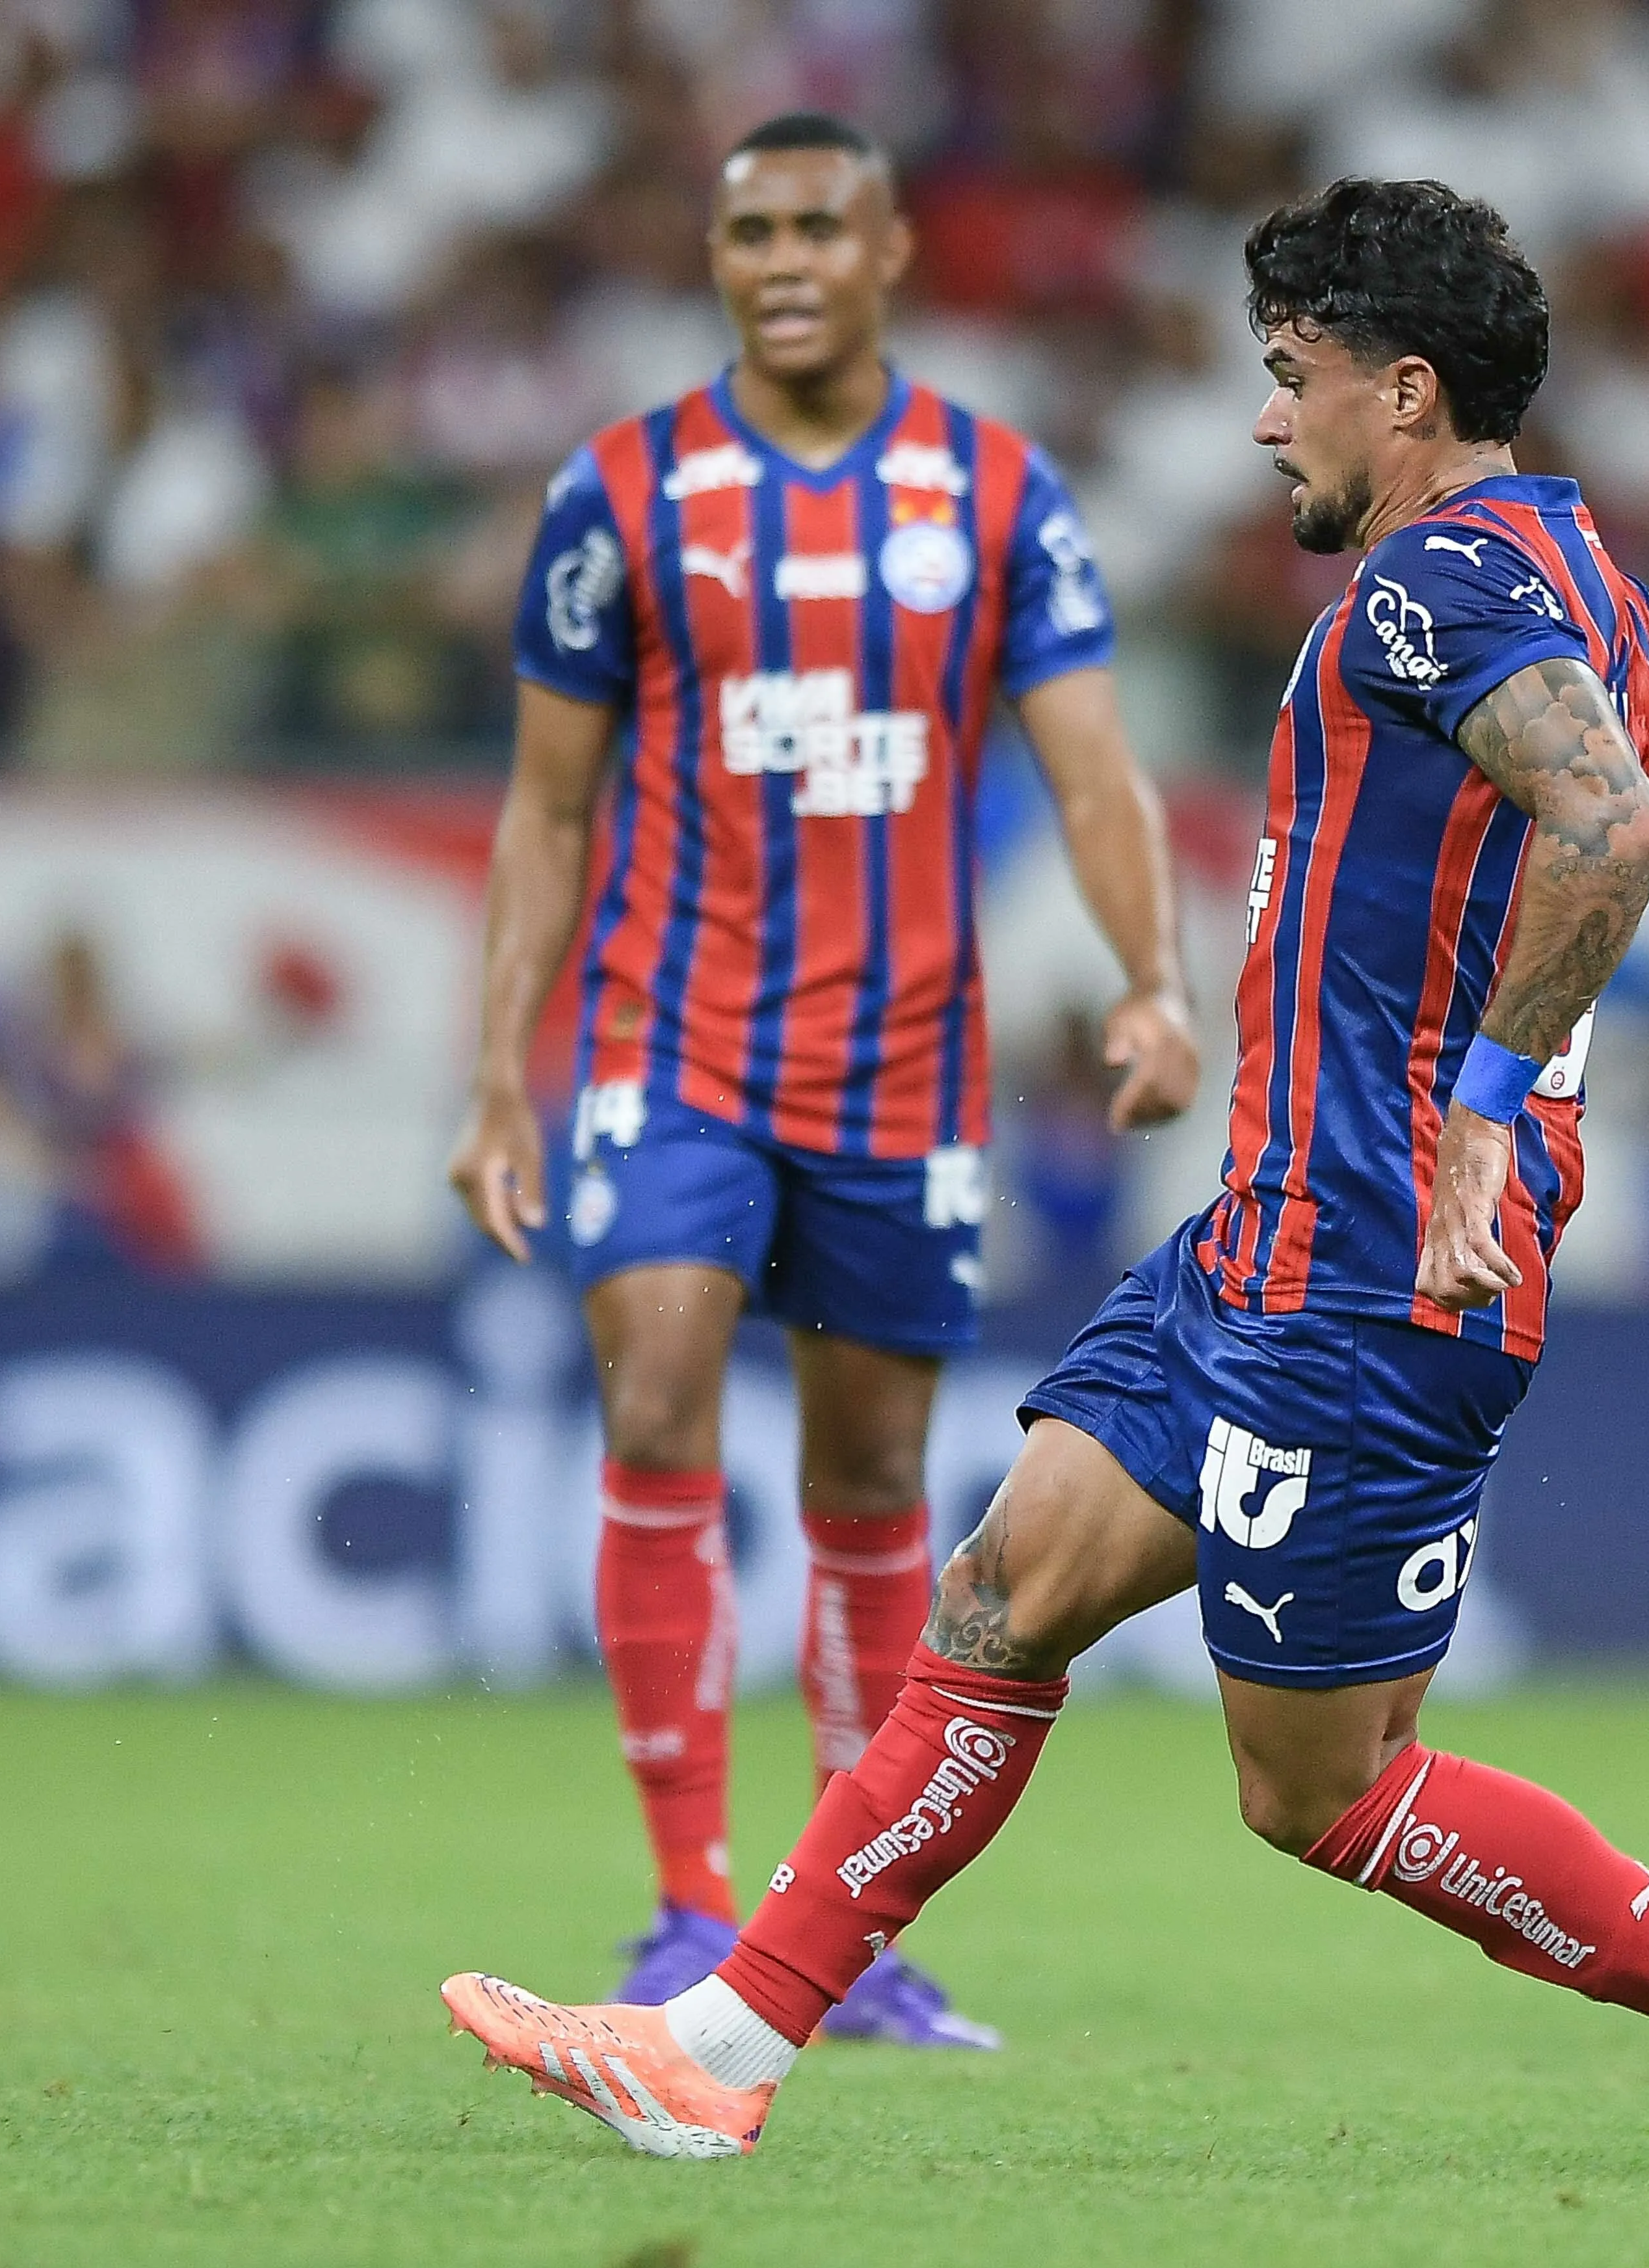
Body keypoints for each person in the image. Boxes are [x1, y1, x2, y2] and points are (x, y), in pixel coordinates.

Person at [442, 178, 1649, 2185]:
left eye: (1292, 380)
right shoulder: (1600, 586)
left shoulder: (1434, 591)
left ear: (1404, 396)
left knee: (1322, 1792)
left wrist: (1487, 1099)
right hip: (1267, 1241)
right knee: (1000, 1590)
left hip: (1388, 1263)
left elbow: (1617, 827)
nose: (1263, 421)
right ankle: (718, 2050)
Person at [445, 113, 1196, 2048]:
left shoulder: (996, 493)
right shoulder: (621, 493)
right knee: (663, 1381)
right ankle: (684, 1911)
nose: (779, 258)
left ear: (888, 255)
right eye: (748, 230)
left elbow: (1098, 770)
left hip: (903, 1070)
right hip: (670, 1041)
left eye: (816, 227)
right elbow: (544, 808)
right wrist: (494, 1075)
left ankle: (835, 1939)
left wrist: (1154, 981)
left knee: (870, 1479)